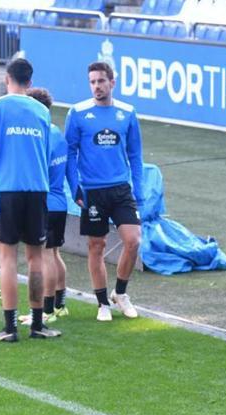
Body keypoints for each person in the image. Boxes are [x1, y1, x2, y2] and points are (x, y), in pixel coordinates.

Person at [0, 57, 61, 342]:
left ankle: (10, 328)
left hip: (8, 190)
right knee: (36, 258)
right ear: (30, 82)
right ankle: (37, 324)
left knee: (8, 258)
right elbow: (46, 153)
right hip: (38, 190)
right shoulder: (42, 111)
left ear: (6, 79)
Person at [64, 61, 144, 322]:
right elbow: (70, 153)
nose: (96, 86)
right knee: (96, 246)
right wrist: (75, 185)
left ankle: (120, 293)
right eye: (92, 82)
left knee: (133, 241)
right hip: (92, 191)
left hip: (121, 189)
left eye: (101, 81)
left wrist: (139, 190)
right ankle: (102, 304)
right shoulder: (77, 113)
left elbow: (135, 154)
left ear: (112, 82)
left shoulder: (128, 113)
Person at [21, 87, 70, 325]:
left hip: (45, 202)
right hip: (60, 203)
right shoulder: (57, 133)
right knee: (56, 253)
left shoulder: (39, 136)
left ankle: (46, 310)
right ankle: (60, 305)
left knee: (45, 255)